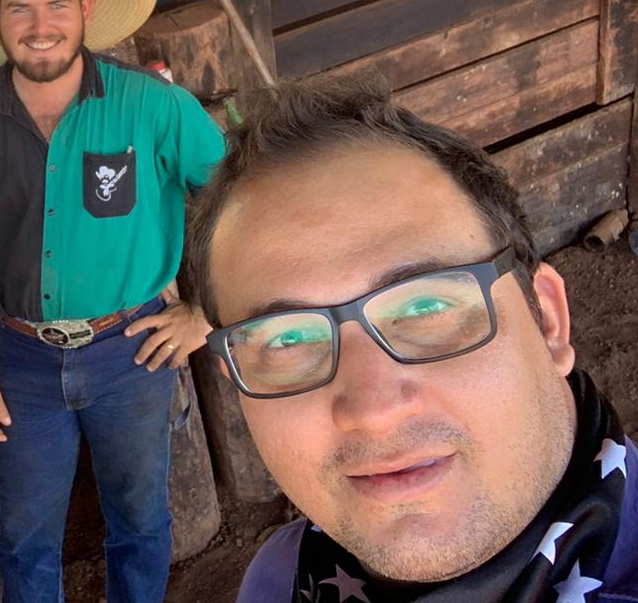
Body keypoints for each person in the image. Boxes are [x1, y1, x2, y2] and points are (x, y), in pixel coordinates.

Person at [184, 73, 637, 602]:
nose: (374, 410)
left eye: (426, 306)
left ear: (548, 322)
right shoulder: (278, 579)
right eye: (285, 342)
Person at [0, 0, 226, 602]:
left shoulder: (153, 106)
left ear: (85, 10)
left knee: (141, 520)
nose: (39, 26)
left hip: (134, 349)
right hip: (20, 359)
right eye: (20, 9)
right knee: (24, 540)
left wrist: (208, 312)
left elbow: (238, 194)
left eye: (56, 5)